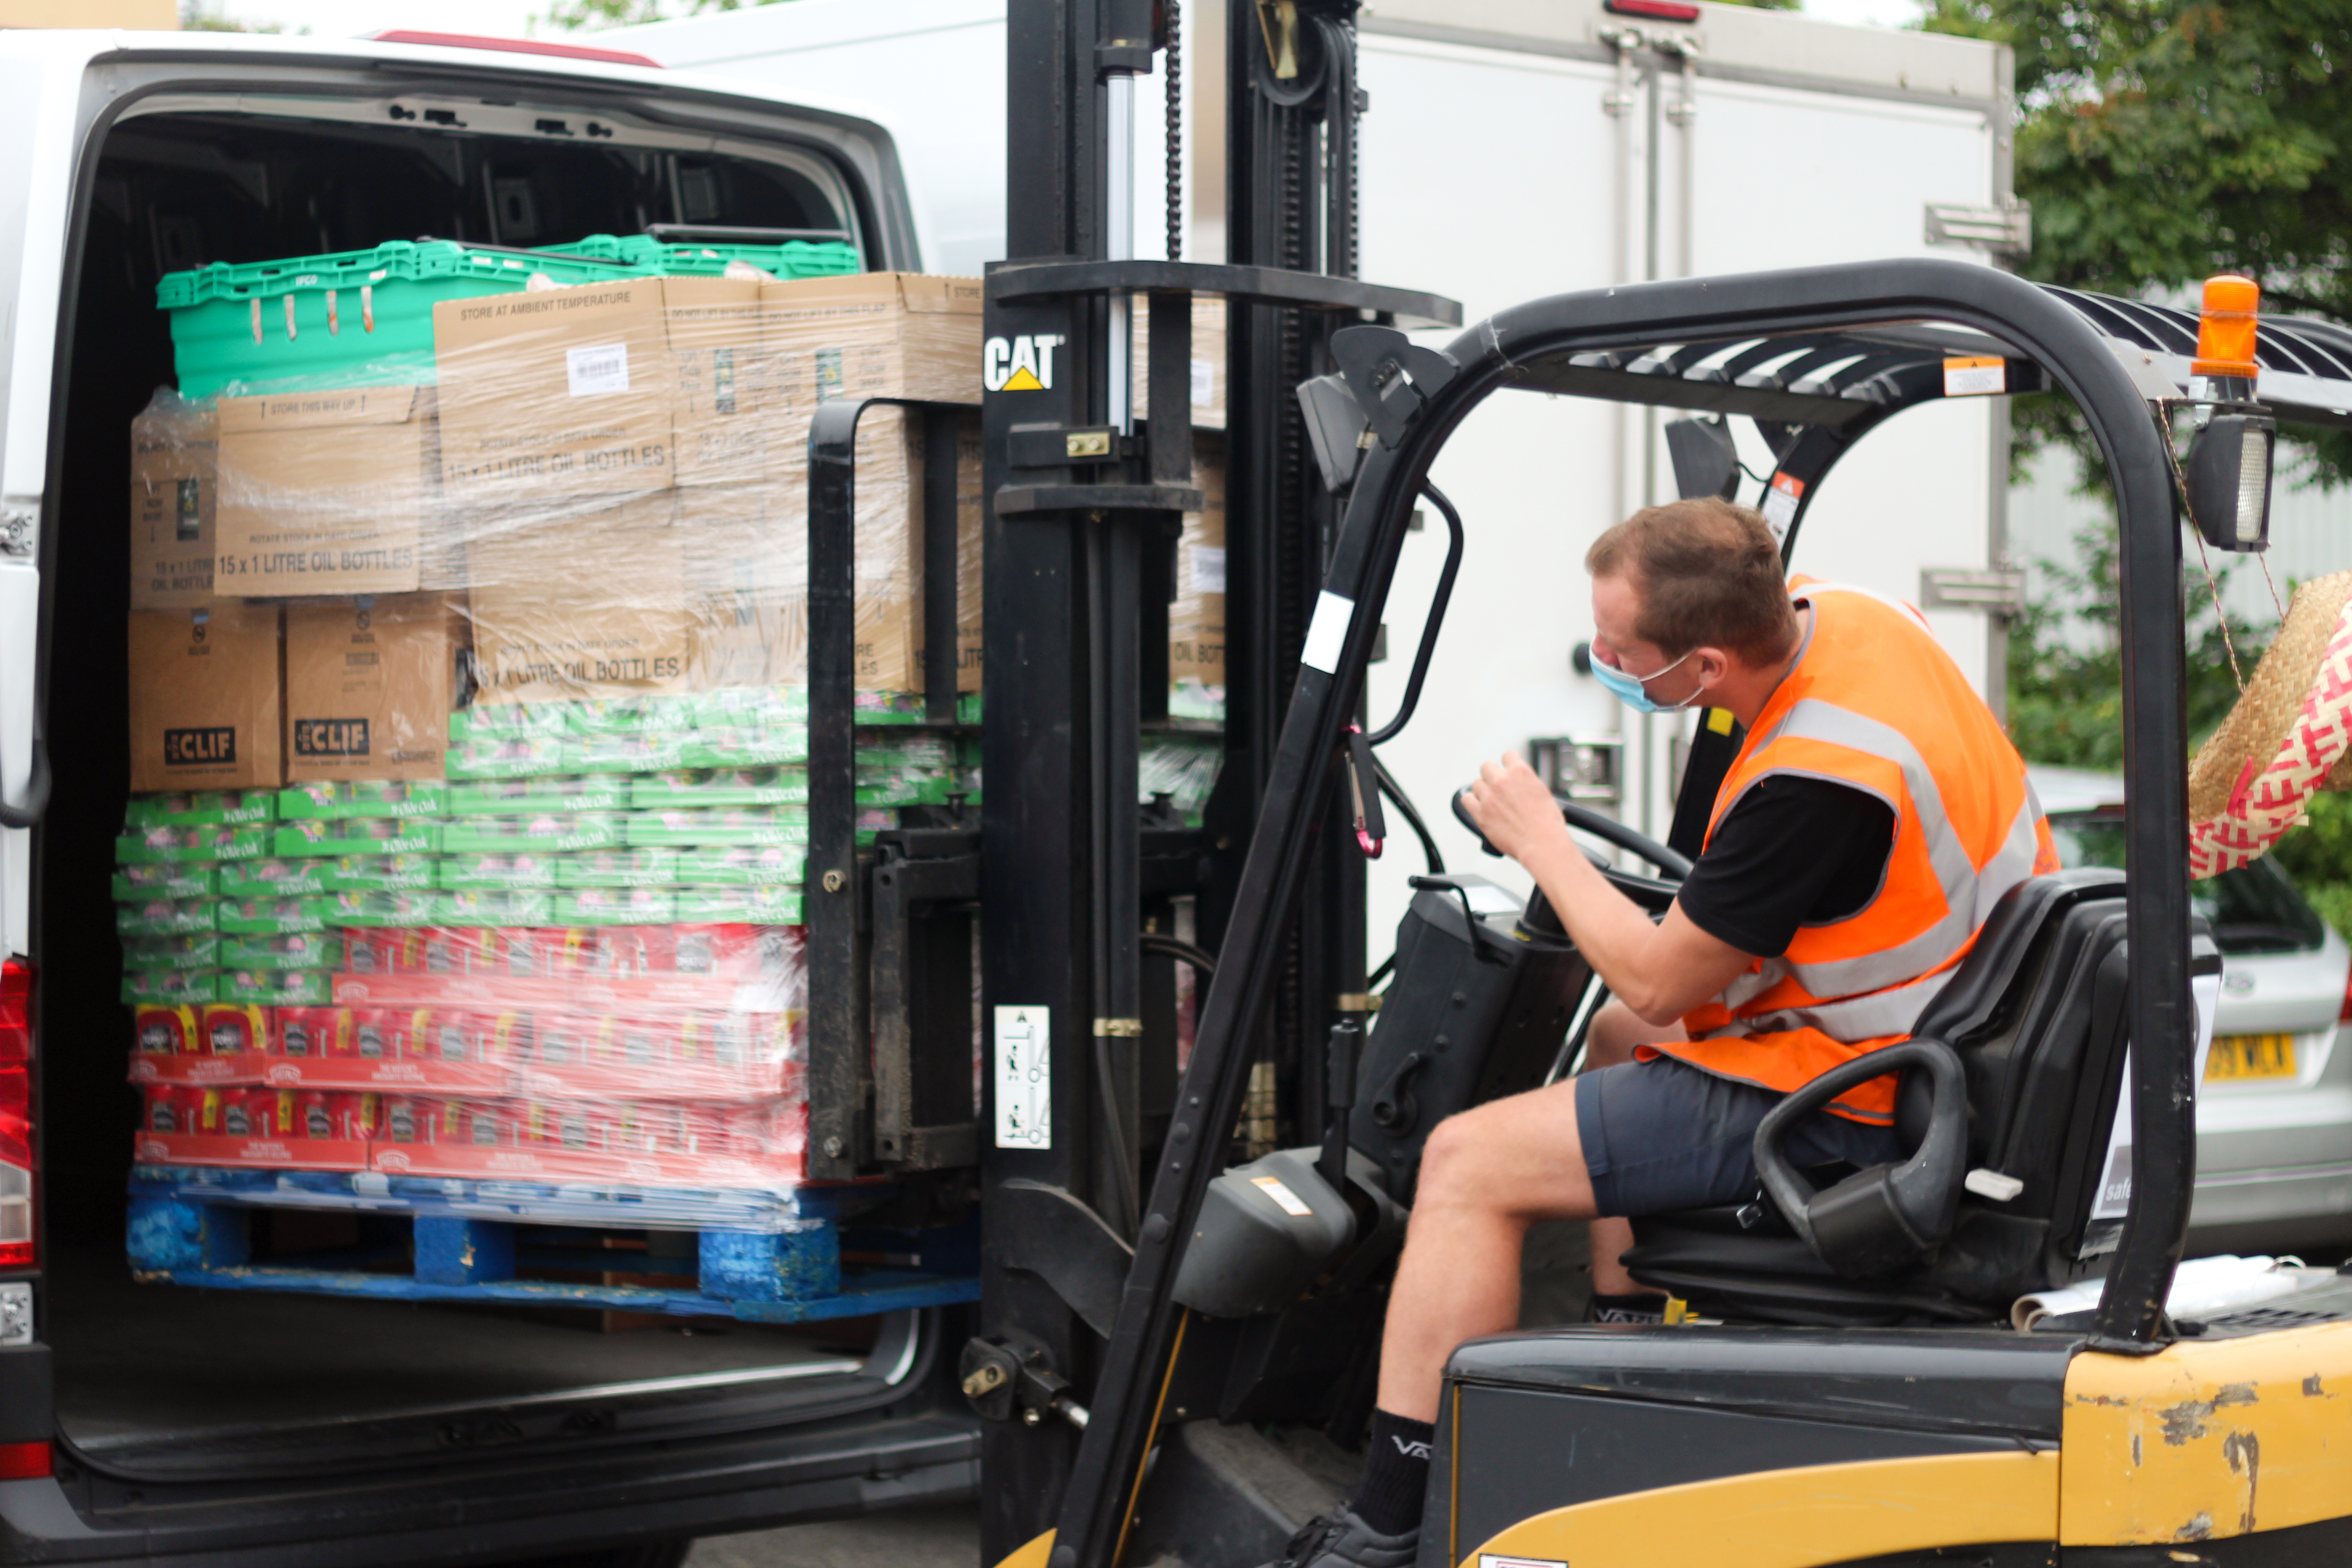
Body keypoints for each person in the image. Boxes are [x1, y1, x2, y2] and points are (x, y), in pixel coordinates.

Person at [1278, 497, 2057, 1568]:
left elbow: (1656, 960)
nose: (1602, 659)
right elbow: (1701, 932)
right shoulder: (1849, 618)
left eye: (1618, 652)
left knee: (1465, 1165)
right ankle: (1621, 1355)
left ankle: (1386, 1524)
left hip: (1869, 1092)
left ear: (1701, 668)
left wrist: (1541, 841)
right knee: (1619, 1034)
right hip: (1929, 1038)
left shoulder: (1824, 781)